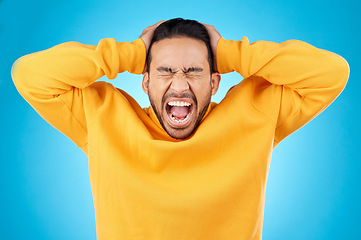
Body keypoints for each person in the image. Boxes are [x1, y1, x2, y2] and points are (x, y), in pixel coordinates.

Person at [12, 18, 349, 239]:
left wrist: (231, 52)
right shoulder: (102, 115)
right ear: (144, 82)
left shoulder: (254, 113)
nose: (179, 83)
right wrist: (130, 53)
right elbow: (29, 75)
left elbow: (332, 73)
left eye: (192, 70)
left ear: (214, 81)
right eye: (165, 70)